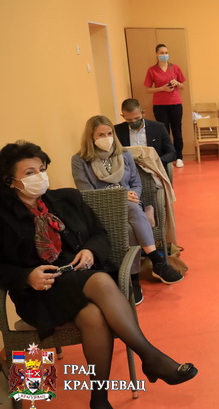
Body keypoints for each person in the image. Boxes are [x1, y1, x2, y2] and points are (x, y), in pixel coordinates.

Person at [0, 141, 197, 409]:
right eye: (30, 173)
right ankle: (150, 357)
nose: (39, 177)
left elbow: (99, 234)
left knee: (93, 315)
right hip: (41, 293)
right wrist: (25, 276)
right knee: (102, 282)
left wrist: (91, 251)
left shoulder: (67, 199)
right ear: (10, 181)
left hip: (80, 277)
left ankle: (99, 398)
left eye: (42, 169)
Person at [72, 116, 184, 305]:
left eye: (109, 133)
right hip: (101, 208)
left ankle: (133, 279)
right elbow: (87, 192)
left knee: (130, 221)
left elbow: (136, 184)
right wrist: (120, 196)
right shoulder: (79, 160)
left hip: (131, 204)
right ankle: (157, 262)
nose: (106, 138)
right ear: (91, 137)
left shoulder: (124, 154)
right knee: (130, 209)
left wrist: (131, 195)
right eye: (101, 135)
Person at [144, 43, 186, 168]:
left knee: (177, 131)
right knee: (164, 132)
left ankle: (179, 157)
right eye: (161, 53)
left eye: (166, 53)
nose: (164, 55)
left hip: (176, 104)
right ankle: (167, 158)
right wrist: (161, 88)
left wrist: (177, 83)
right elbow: (147, 89)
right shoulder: (152, 70)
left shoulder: (175, 68)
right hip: (160, 105)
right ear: (156, 54)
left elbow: (182, 86)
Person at [114, 98, 177, 172]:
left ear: (143, 113)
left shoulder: (158, 128)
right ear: (123, 116)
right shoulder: (117, 130)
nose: (134, 121)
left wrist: (157, 161)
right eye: (129, 120)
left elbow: (172, 153)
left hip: (153, 168)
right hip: (129, 169)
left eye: (137, 118)